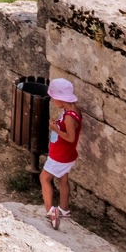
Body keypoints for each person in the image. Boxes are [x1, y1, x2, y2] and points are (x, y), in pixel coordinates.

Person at [41, 78, 83, 229]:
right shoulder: (72, 110)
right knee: (63, 179)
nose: (52, 100)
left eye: (53, 98)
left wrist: (55, 129)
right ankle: (64, 209)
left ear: (59, 98)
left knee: (44, 178)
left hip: (60, 155)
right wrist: (58, 124)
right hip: (67, 155)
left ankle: (50, 211)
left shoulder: (69, 117)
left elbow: (71, 138)